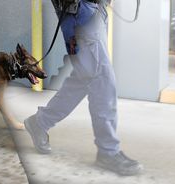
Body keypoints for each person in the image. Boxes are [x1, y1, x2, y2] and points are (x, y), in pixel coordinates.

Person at [24, 0, 143, 176]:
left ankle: (40, 122)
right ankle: (108, 151)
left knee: (84, 76)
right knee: (102, 79)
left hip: (96, 10)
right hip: (80, 11)